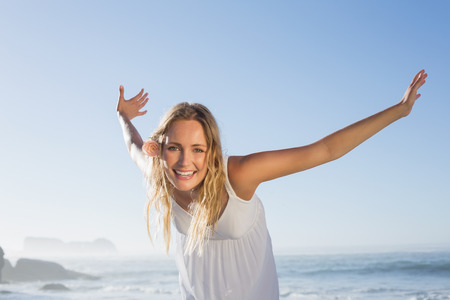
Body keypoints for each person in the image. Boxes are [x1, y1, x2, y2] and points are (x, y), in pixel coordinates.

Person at [117, 69, 427, 299]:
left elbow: (325, 150)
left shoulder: (238, 175)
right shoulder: (161, 174)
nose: (185, 162)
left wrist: (400, 110)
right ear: (160, 149)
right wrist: (123, 115)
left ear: (211, 150)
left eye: (197, 149)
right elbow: (134, 145)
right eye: (175, 148)